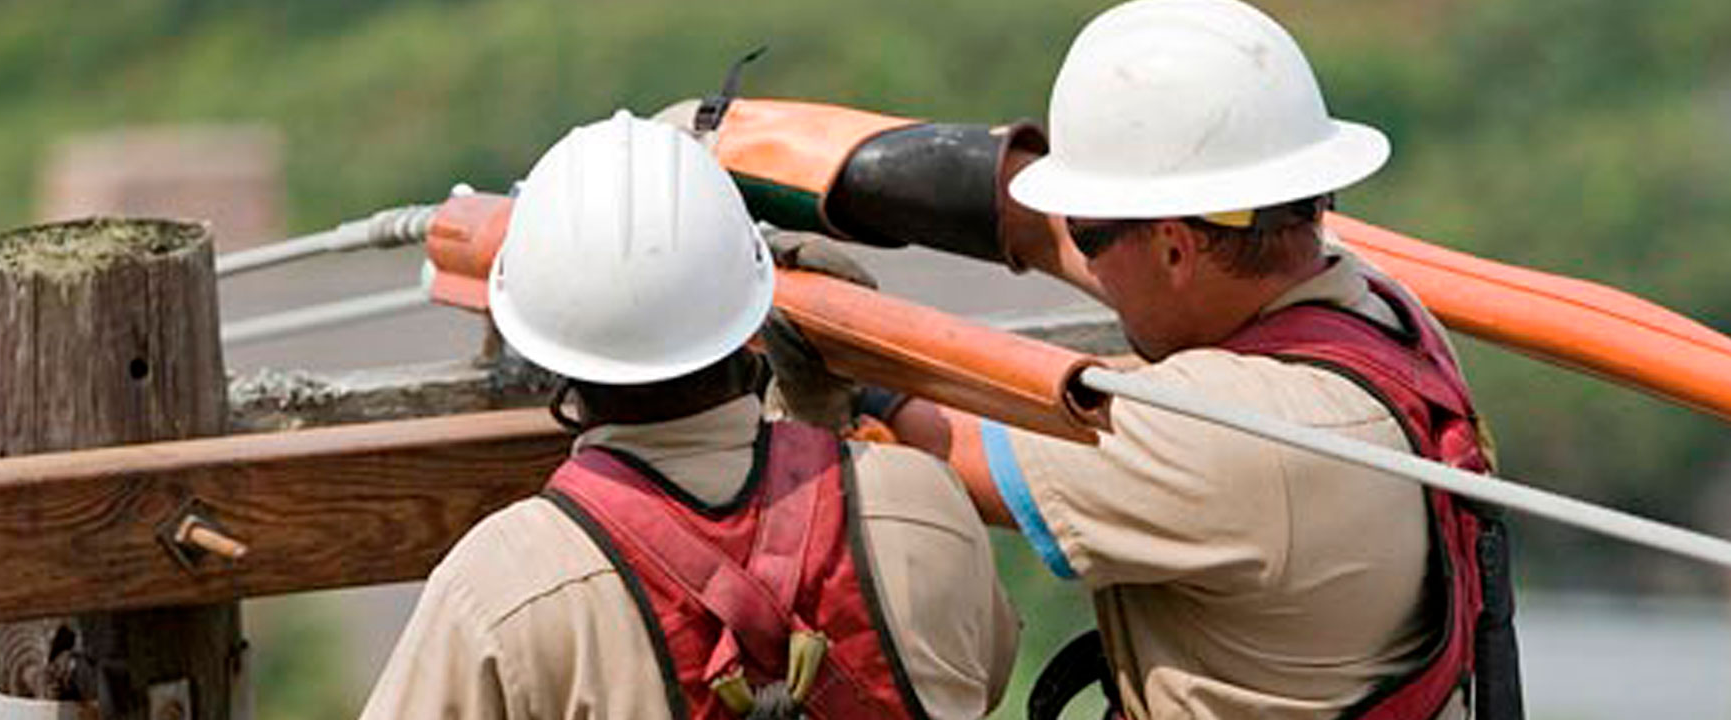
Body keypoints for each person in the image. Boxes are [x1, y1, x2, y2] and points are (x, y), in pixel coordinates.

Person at [718, 1, 1521, 718]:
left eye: (1094, 235)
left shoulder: (1234, 437)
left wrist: (817, 345)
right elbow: (1059, 234)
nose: (1084, 259)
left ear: (1174, 247)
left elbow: (937, 443)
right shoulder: (1384, 307)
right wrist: (774, 160)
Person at [358, 111, 1018, 720]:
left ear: (551, 351)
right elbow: (986, 677)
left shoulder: (503, 587)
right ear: (753, 311)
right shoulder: (921, 503)